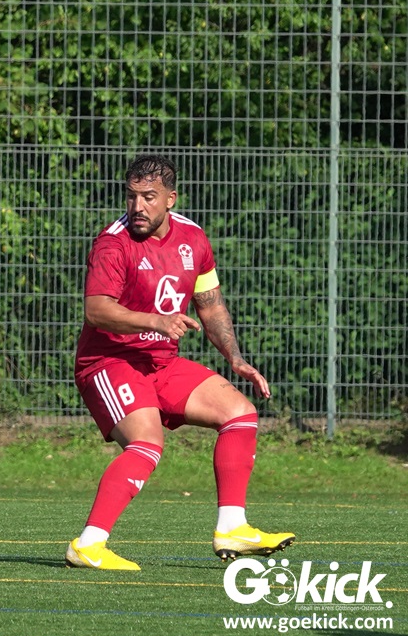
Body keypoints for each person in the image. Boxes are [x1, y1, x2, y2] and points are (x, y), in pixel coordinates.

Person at [66, 154, 293, 571]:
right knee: (147, 442)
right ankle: (88, 545)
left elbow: (211, 304)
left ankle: (233, 527)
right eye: (131, 196)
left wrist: (235, 357)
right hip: (109, 361)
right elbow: (97, 310)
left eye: (148, 197)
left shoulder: (193, 238)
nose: (137, 206)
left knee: (240, 413)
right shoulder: (113, 243)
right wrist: (156, 320)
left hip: (160, 362)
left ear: (171, 198)